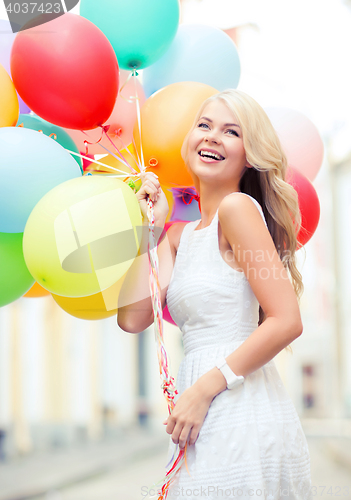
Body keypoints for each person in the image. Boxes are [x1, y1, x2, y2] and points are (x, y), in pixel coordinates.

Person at [117, 89, 312, 500]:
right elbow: (132, 318)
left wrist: (205, 389)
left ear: (249, 153)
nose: (211, 137)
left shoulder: (237, 210)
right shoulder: (177, 237)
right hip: (198, 411)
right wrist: (149, 231)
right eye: (203, 126)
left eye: (230, 131)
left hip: (235, 403)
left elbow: (287, 320)